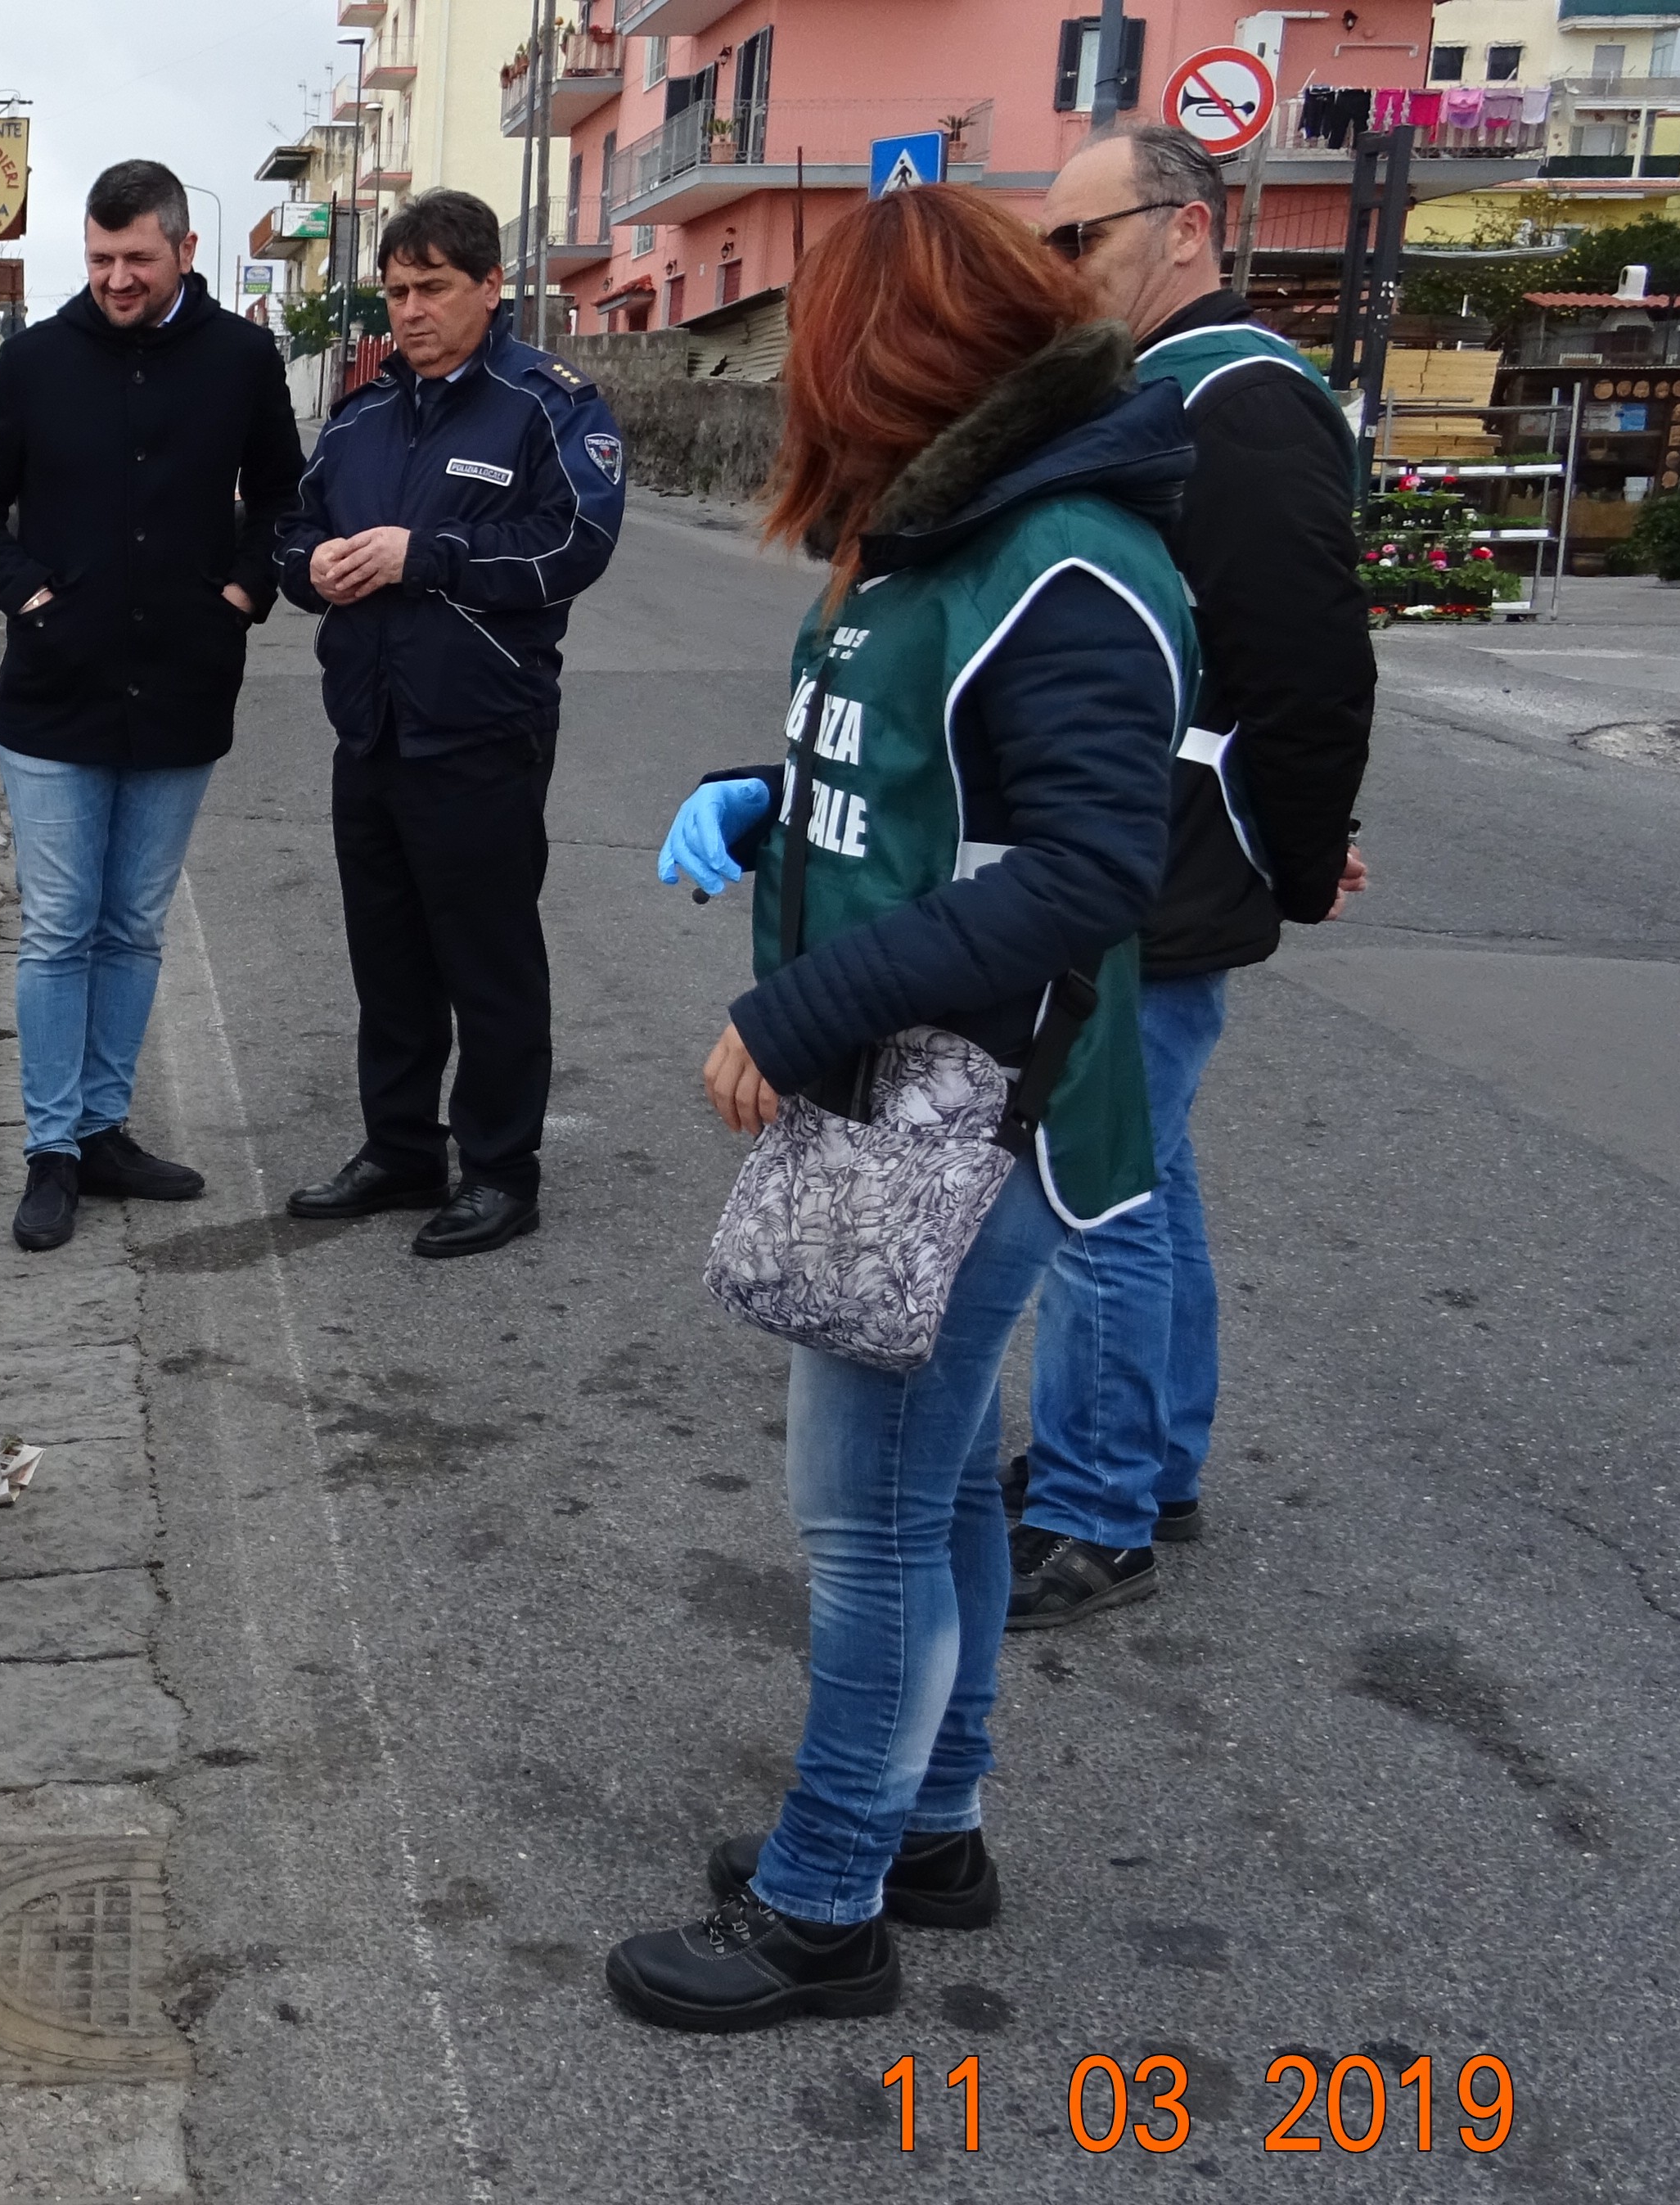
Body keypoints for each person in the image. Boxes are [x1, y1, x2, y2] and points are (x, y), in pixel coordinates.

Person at [609, 185, 1190, 2033]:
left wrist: (799, 1006)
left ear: (903, 352)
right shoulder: (943, 534)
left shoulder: (1070, 555)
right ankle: (932, 1826)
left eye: (815, 349)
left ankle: (828, 1900)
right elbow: (936, 782)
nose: (794, 384)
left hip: (968, 1116)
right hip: (910, 1099)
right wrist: (763, 798)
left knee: (863, 1519)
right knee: (930, 1482)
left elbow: (1089, 867)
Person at [1002, 127, 1376, 1631]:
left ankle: (1102, 1511)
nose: (1060, 272)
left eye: (1079, 240)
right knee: (1150, 1165)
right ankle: (1148, 1461)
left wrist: (1295, 855)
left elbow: (1307, 669)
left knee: (1099, 1184)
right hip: (1142, 837)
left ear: (1189, 232)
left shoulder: (1246, 404)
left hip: (1170, 852)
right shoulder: (1162, 391)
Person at [0, 158, 306, 1253]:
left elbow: (286, 497)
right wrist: (29, 598)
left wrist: (244, 590)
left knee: (132, 926)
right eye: (99, 259)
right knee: (59, 927)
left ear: (184, 252)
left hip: (184, 689)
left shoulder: (242, 358)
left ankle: (104, 1131)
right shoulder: (39, 360)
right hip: (55, 692)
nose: (115, 279)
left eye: (136, 259)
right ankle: (52, 1150)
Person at [270, 189, 624, 1258]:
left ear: (490, 288)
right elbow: (295, 529)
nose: (410, 310)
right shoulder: (364, 413)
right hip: (369, 728)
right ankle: (401, 1150)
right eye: (396, 290)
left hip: (480, 730)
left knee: (489, 958)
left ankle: (503, 1171)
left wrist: (430, 557)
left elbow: (577, 542)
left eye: (431, 289)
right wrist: (310, 569)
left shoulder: (547, 406)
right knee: (389, 959)